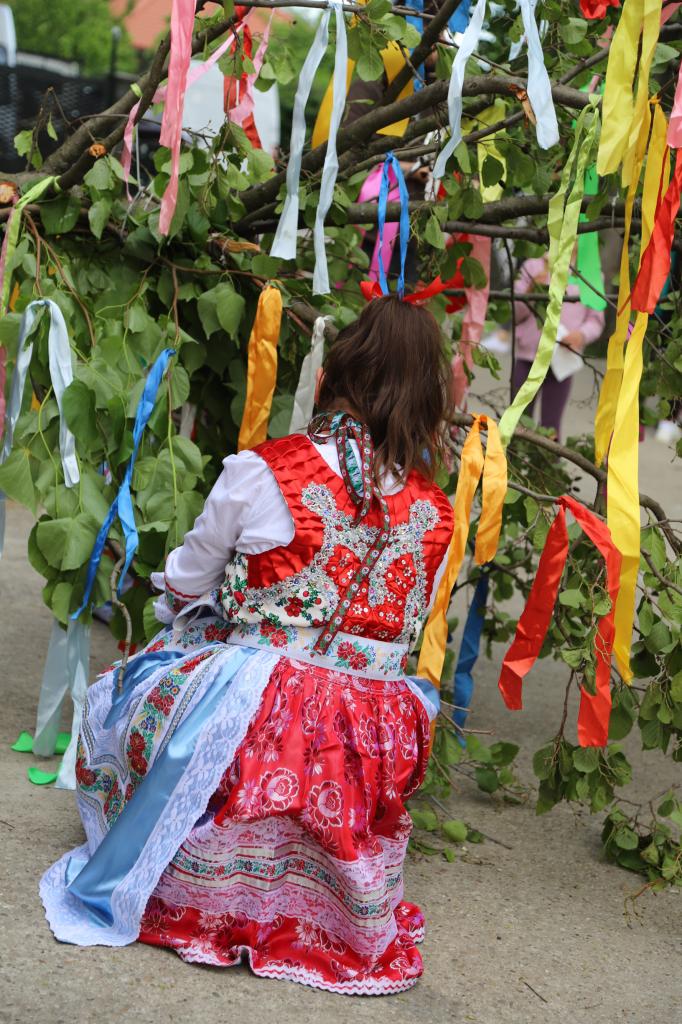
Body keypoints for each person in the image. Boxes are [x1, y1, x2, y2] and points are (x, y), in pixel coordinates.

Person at [40, 296, 455, 996]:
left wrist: (201, 606)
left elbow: (188, 578)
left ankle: (196, 874)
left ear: (333, 374)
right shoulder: (437, 510)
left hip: (268, 704)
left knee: (139, 684)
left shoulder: (269, 469)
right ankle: (326, 899)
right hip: (371, 729)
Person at [511, 253, 605, 440]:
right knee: (517, 422)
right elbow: (515, 313)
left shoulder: (591, 275)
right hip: (529, 357)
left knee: (551, 428)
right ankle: (511, 457)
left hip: (562, 362)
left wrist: (581, 335)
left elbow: (596, 320)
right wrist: (529, 291)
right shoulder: (533, 266)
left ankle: (547, 458)